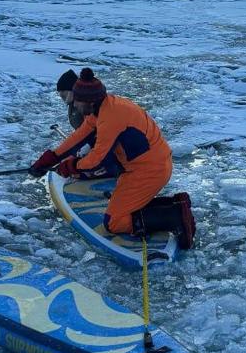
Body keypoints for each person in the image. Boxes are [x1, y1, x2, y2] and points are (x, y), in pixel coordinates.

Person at [29, 68, 195, 248]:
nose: (74, 105)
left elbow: (96, 159)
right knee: (121, 212)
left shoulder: (111, 118)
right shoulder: (102, 108)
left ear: (88, 101)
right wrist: (50, 158)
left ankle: (175, 216)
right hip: (145, 167)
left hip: (149, 171)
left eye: (77, 101)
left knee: (114, 223)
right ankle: (174, 204)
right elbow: (78, 138)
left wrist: (71, 166)